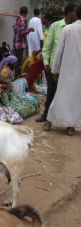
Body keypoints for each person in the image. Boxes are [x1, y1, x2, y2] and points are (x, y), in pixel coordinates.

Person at [35, 4, 77, 123]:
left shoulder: (75, 28)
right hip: (54, 67)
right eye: (75, 12)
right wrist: (46, 63)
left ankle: (64, 119)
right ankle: (46, 115)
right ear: (69, 12)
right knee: (51, 92)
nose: (77, 14)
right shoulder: (55, 26)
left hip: (68, 68)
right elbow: (47, 47)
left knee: (67, 94)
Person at [44, 5, 81, 136]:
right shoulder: (66, 28)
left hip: (66, 69)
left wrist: (55, 70)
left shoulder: (68, 29)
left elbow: (59, 52)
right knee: (75, 98)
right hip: (77, 70)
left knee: (61, 95)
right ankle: (70, 126)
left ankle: (49, 121)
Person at [13, 6, 34, 77]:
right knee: (19, 62)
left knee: (17, 62)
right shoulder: (22, 20)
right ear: (26, 13)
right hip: (19, 44)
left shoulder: (18, 19)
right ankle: (17, 77)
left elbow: (15, 29)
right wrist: (29, 30)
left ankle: (16, 76)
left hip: (16, 44)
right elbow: (21, 33)